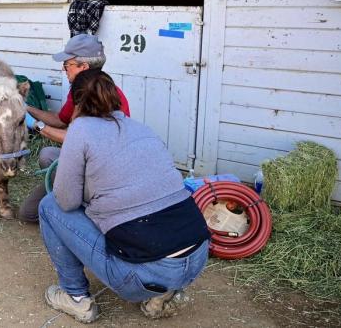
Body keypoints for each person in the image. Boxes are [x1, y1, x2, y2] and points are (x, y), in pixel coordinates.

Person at [38, 69, 210, 323]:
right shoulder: (140, 128)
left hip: (145, 273)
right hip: (197, 259)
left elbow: (67, 201)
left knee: (49, 206)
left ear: (76, 102)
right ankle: (165, 292)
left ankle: (75, 297)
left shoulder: (81, 129)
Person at [18, 34, 130, 223]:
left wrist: (36, 125)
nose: (63, 69)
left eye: (67, 64)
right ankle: (70, 191)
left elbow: (75, 138)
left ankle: (83, 206)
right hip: (83, 159)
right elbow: (61, 120)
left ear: (83, 67)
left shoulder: (101, 96)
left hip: (100, 169)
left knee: (34, 210)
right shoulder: (79, 90)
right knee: (46, 156)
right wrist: (27, 108)